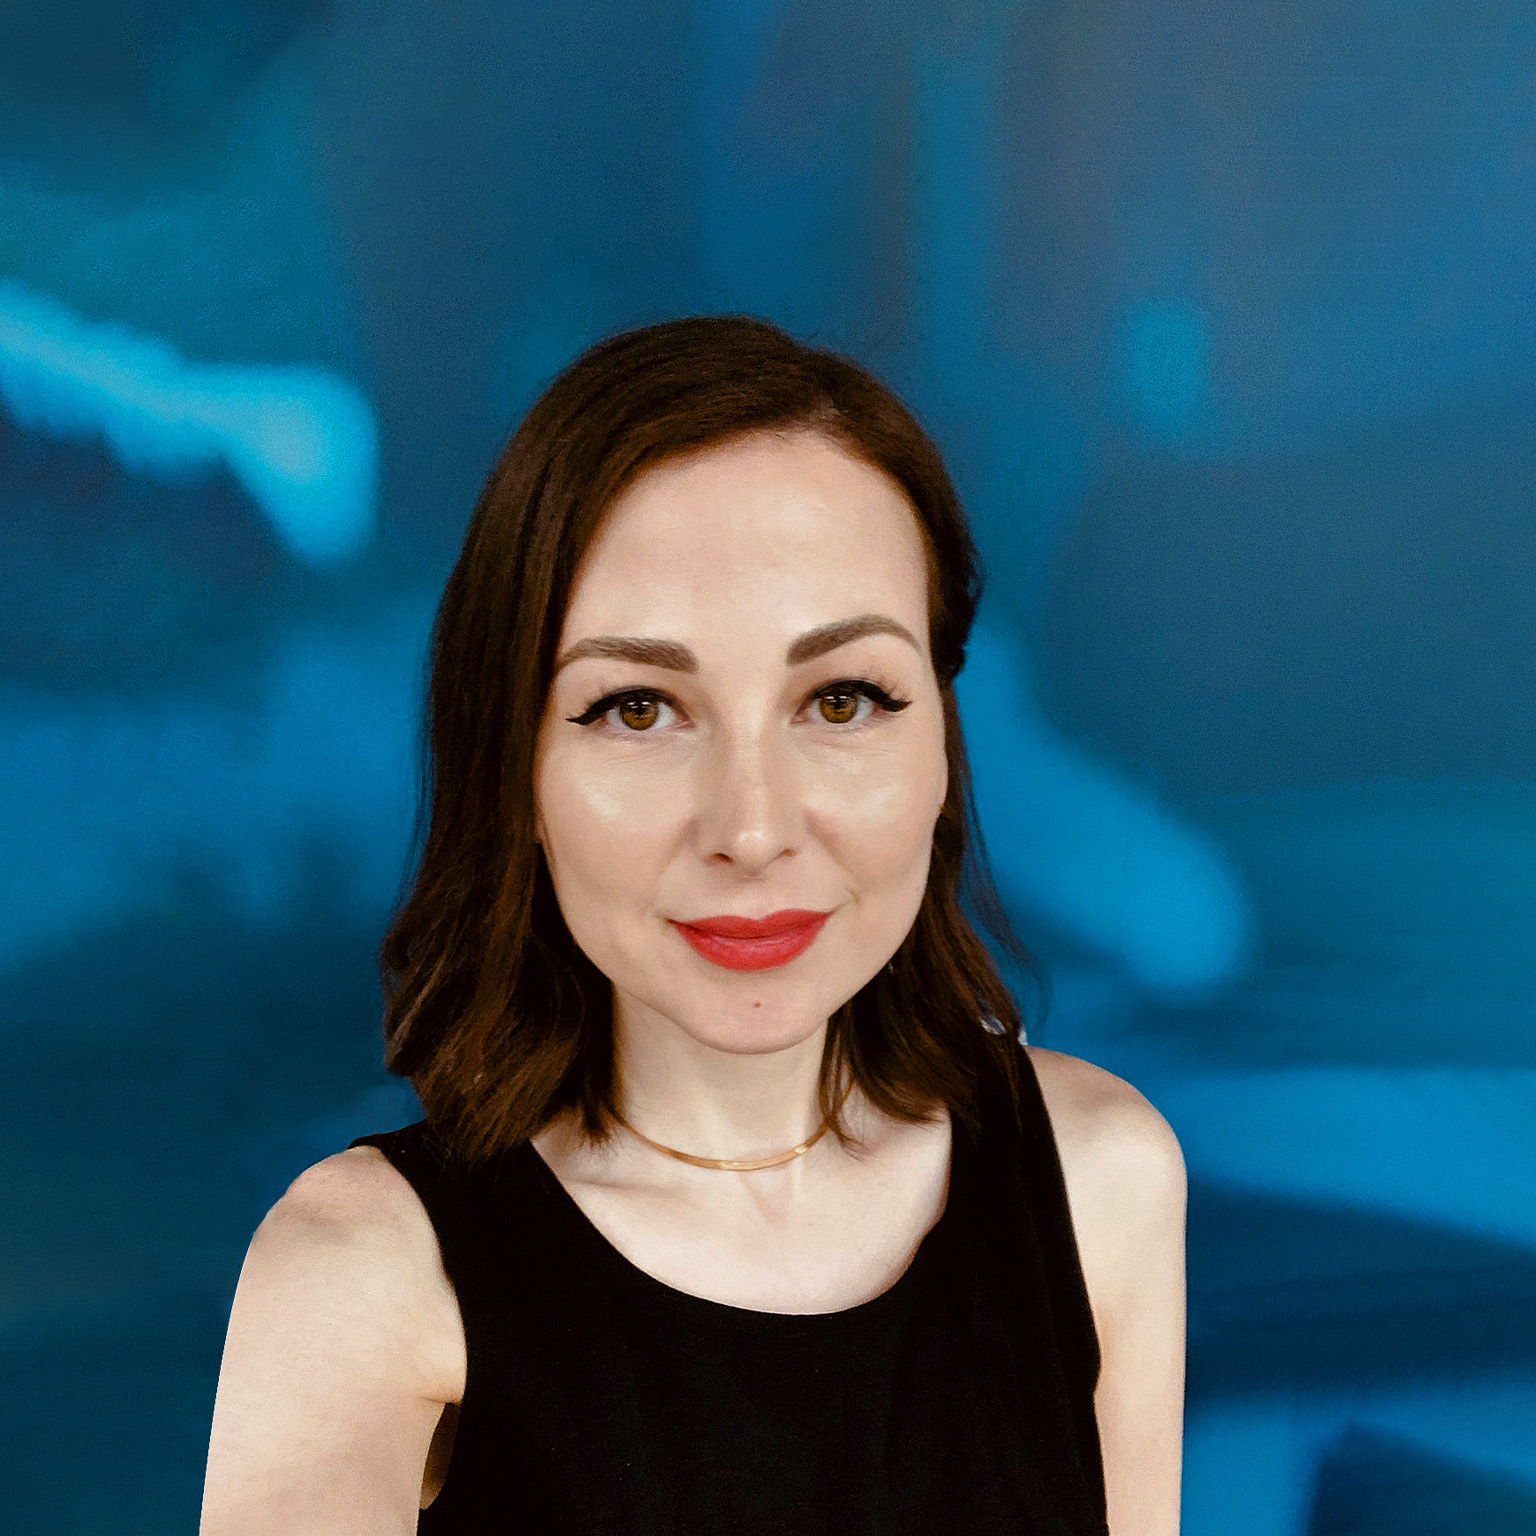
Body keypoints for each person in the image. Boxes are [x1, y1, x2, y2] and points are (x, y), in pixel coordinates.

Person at [200, 316, 1186, 1535]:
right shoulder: (360, 1268)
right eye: (636, 709)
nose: (753, 828)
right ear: (515, 770)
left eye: (842, 698)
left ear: (943, 739)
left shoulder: (1104, 1176)